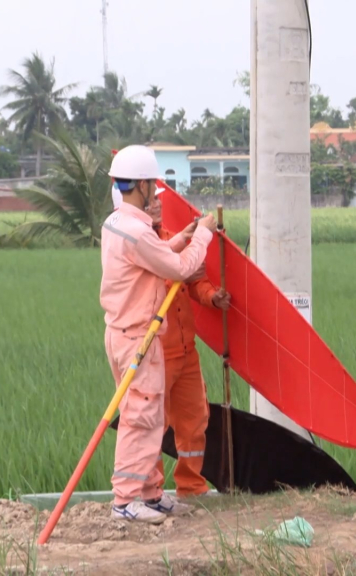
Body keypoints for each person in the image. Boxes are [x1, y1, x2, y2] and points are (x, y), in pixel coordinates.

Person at [100, 144, 217, 524]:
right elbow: (180, 269)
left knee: (148, 416)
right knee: (141, 418)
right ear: (144, 185)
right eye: (154, 184)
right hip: (139, 338)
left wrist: (181, 236)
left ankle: (151, 495)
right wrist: (202, 236)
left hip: (123, 334)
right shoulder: (136, 230)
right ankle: (125, 501)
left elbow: (155, 254)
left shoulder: (116, 223)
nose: (155, 192)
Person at [143, 189, 231, 501]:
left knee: (195, 420)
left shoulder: (172, 238)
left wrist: (212, 296)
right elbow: (167, 279)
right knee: (152, 423)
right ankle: (149, 491)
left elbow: (195, 280)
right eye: (149, 201)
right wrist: (182, 270)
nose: (156, 206)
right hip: (156, 353)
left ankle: (191, 487)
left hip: (185, 350)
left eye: (157, 201)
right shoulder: (142, 246)